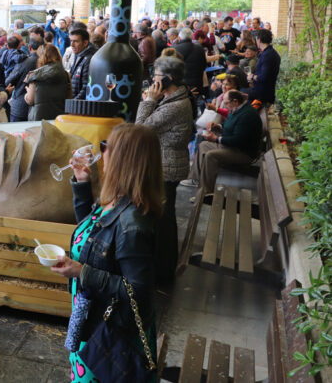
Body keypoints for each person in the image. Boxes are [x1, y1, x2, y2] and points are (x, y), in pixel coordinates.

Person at [51, 123, 161, 383]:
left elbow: (139, 294)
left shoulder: (132, 223)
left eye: (105, 147)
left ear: (125, 160)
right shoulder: (117, 200)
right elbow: (92, 237)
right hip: (92, 321)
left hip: (109, 335)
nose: (101, 152)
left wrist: (82, 271)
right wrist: (82, 184)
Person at [136, 57, 194, 285]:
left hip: (166, 168)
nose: (152, 80)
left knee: (164, 221)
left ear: (168, 79)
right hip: (167, 165)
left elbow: (140, 127)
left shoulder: (175, 105)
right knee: (162, 218)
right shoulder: (175, 98)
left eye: (156, 76)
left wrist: (149, 101)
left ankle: (163, 272)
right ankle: (161, 267)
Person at [186, 90, 262, 194]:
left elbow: (238, 140)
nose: (224, 106)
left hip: (243, 153)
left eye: (226, 103)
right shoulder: (236, 109)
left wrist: (217, 139)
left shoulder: (247, 115)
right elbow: (229, 126)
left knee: (211, 156)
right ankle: (196, 179)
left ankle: (205, 192)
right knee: (203, 145)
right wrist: (218, 127)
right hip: (232, 147)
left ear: (235, 101)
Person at [24, 44, 70, 121]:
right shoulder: (65, 74)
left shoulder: (34, 75)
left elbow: (30, 100)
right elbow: (69, 97)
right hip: (60, 117)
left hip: (39, 118)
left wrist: (27, 94)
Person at [5, 38, 42, 122]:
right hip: (40, 107)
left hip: (21, 106)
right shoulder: (47, 62)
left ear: (29, 47)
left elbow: (8, 82)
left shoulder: (24, 62)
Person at [247, 29, 281, 106]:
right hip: (263, 91)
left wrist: (252, 77)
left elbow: (264, 77)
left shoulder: (268, 55)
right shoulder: (269, 52)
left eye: (256, 39)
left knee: (238, 94)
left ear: (259, 40)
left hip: (262, 94)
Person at [172, 28, 207, 101]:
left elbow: (172, 69)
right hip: (197, 83)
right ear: (192, 37)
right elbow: (204, 66)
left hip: (181, 86)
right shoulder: (200, 48)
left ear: (179, 37)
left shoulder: (175, 49)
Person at [67, 29, 97, 100]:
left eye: (76, 41)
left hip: (80, 107)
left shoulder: (89, 59)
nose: (72, 45)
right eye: (71, 41)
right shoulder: (79, 55)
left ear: (85, 43)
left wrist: (74, 103)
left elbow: (86, 87)